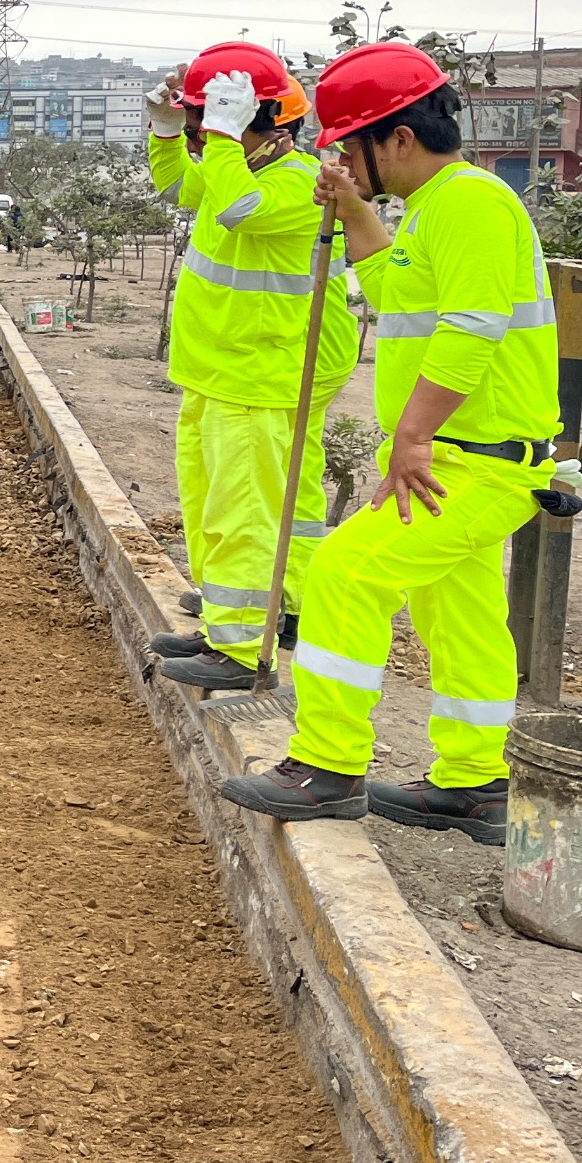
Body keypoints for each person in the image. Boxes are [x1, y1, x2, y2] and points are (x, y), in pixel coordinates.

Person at [221, 42, 572, 843]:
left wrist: (413, 435)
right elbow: (391, 290)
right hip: (465, 457)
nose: (343, 157)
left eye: (350, 144)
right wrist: (352, 210)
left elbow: (473, 330)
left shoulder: (473, 204)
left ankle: (327, 764)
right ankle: (476, 784)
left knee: (347, 572)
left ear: (397, 139)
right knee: (462, 617)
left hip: (471, 460)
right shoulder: (438, 208)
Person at [141, 43, 356, 688]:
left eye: (214, 123)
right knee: (239, 498)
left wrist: (225, 140)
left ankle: (237, 649)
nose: (206, 138)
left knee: (246, 506)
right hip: (224, 368)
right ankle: (275, 607)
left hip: (263, 373)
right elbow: (181, 186)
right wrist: (165, 130)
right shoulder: (242, 163)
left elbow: (236, 209)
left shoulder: (293, 183)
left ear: (257, 123)